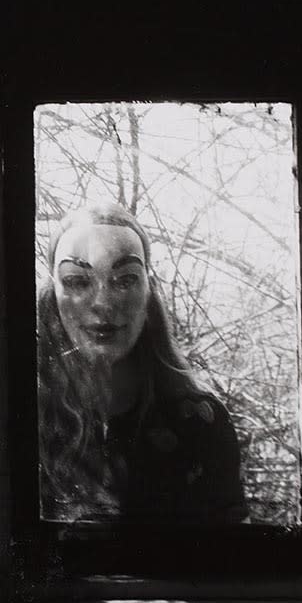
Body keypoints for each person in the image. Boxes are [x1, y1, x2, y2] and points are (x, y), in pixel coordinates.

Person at [38, 202, 247, 523]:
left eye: (125, 280)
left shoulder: (200, 422)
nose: (103, 303)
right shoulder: (24, 416)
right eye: (78, 281)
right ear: (53, 294)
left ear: (149, 291)